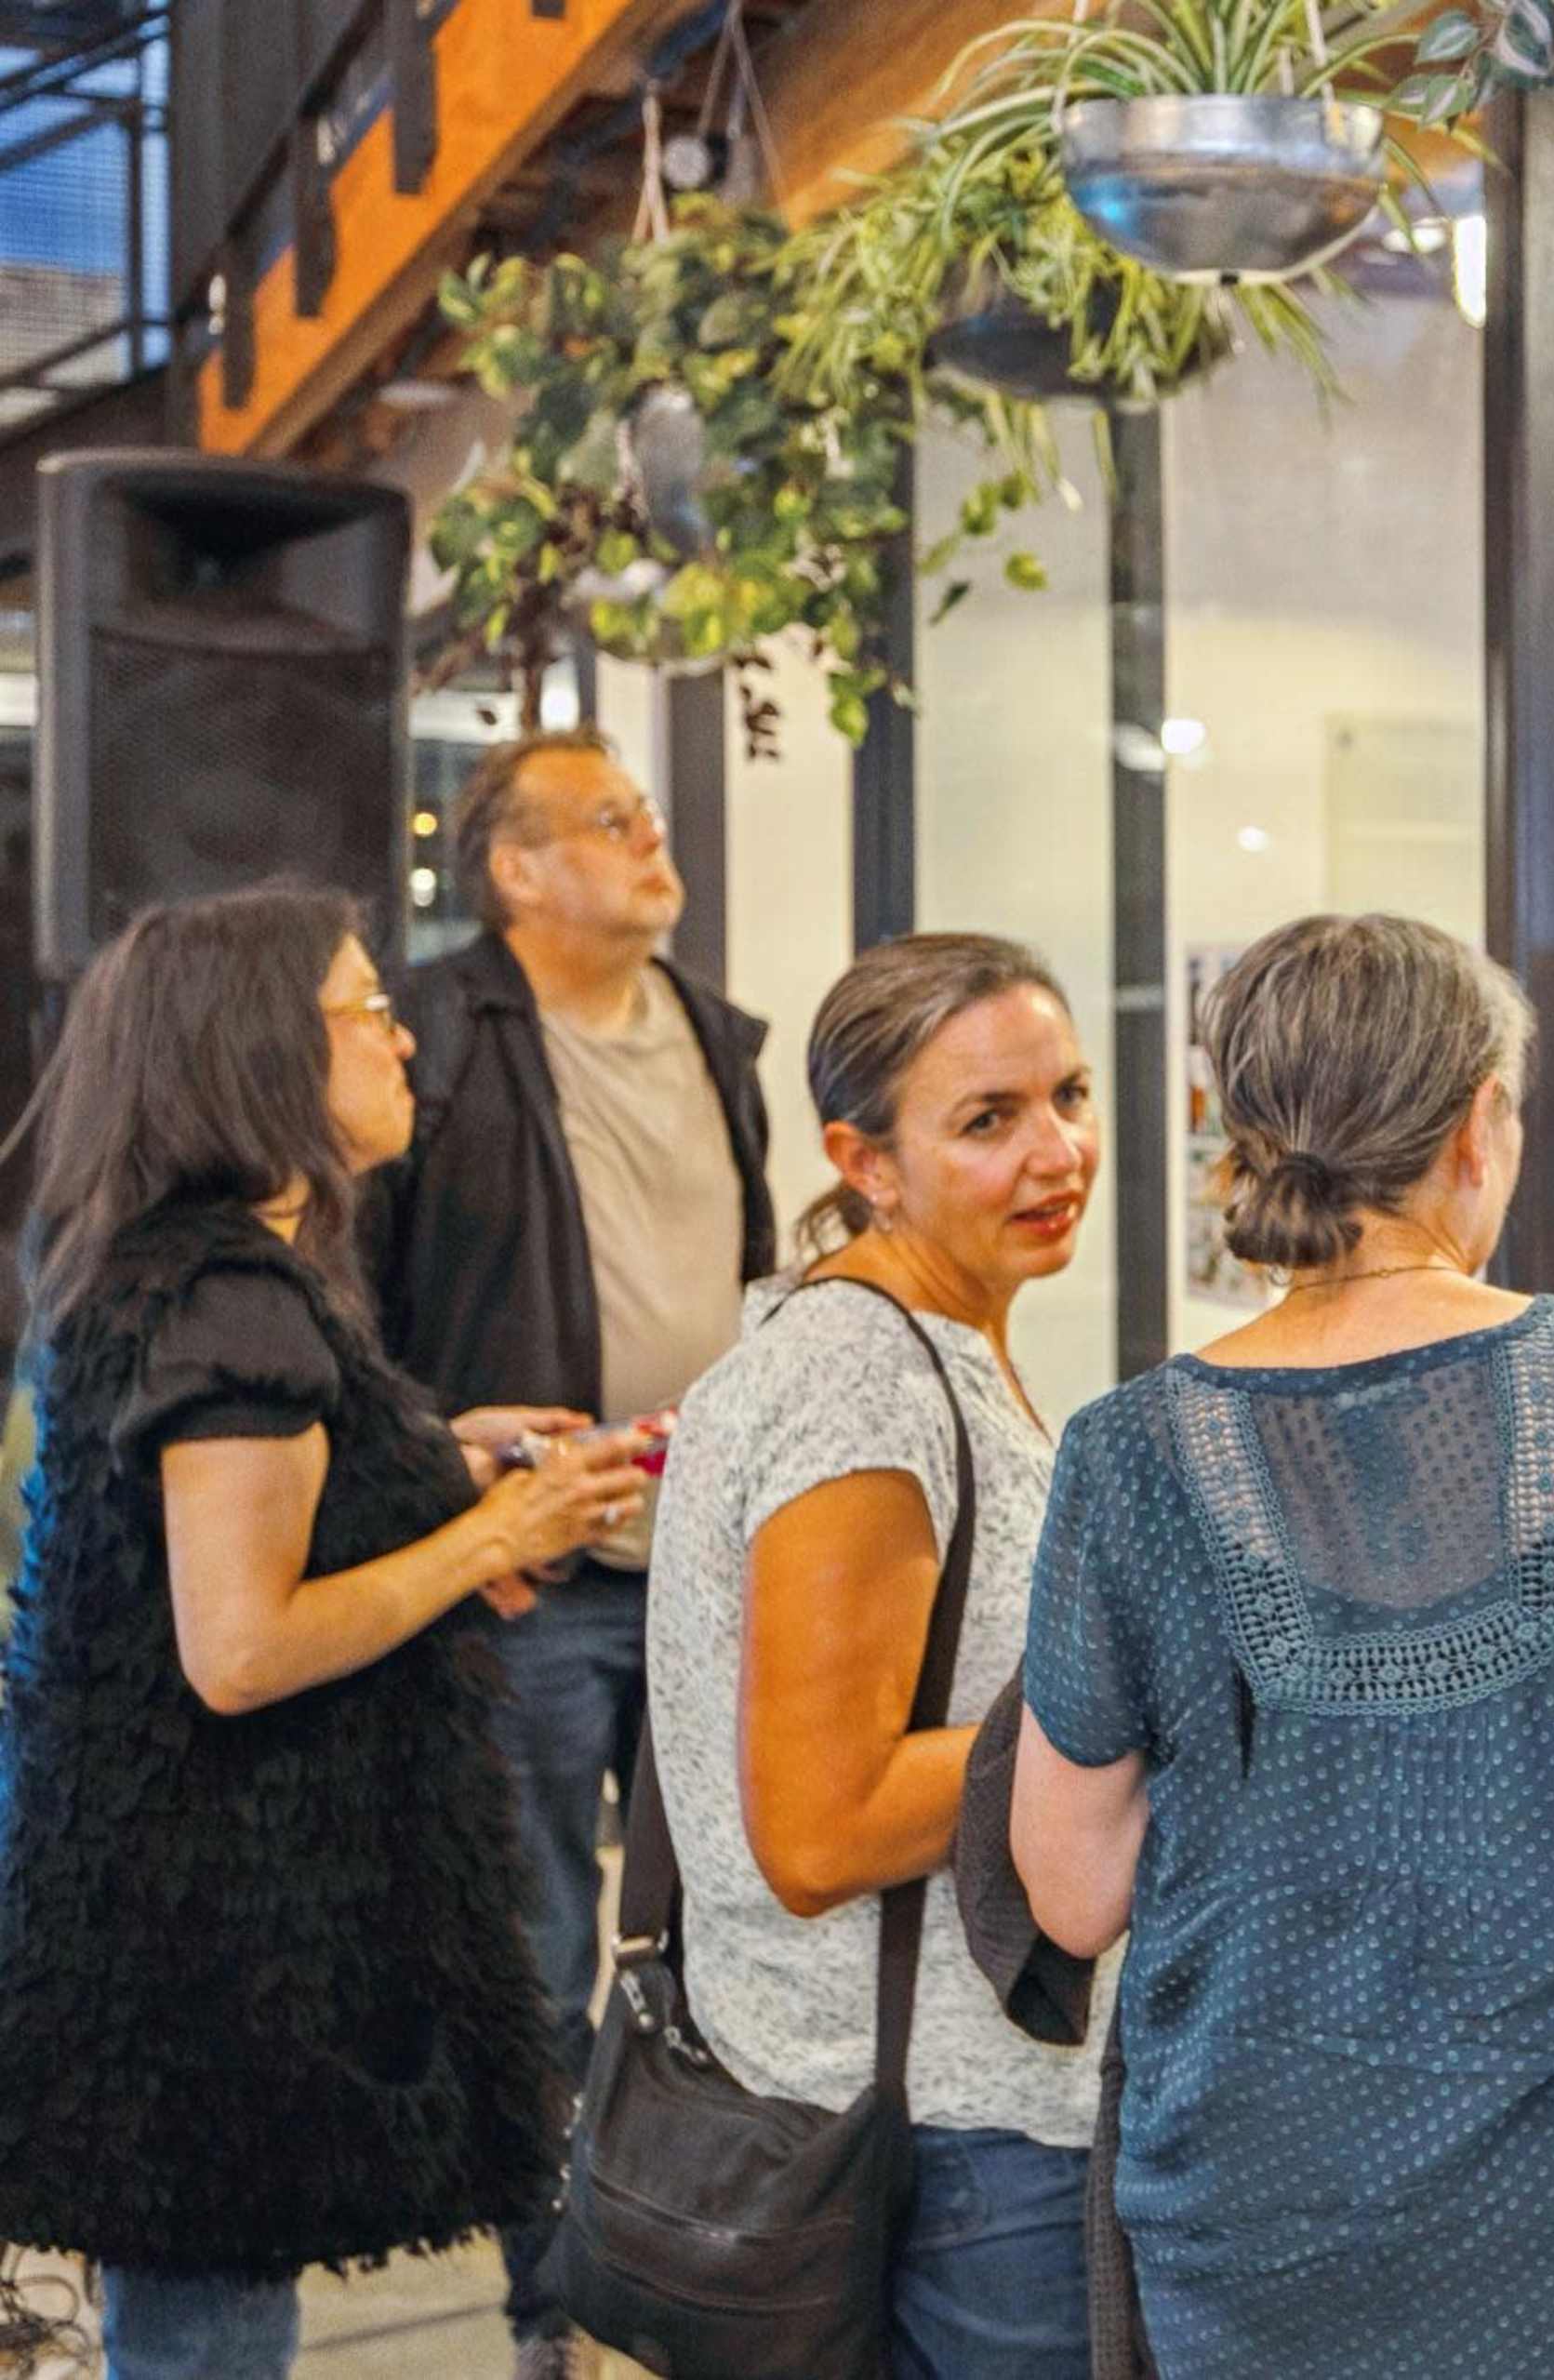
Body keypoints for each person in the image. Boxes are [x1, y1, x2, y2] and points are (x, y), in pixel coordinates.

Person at [1008, 912, 1554, 2378]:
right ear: (1479, 1130)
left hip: (1284, 2232)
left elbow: (1070, 1894)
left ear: (1247, 1143)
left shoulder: (1128, 1458)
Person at [0, 887, 651, 2379]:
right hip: (207, 1935)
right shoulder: (231, 1298)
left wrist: (438, 1458)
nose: (402, 1039)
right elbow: (240, 1645)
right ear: (260, 1058)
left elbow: (286, 1500)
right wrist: (492, 1534)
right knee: (208, 2337)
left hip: (180, 1911)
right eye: (364, 1010)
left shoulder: (200, 1273)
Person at [357, 729, 772, 2364]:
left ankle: (706, 2276)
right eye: (611, 819)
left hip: (706, 1573)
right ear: (518, 868)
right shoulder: (434, 1041)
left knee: (725, 1947)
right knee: (536, 1967)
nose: (651, 837)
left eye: (649, 813)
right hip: (528, 1581)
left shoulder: (714, 1033)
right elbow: (357, 1310)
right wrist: (447, 1510)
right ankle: (555, 2307)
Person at [644, 933, 1109, 2375]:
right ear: (866, 1160)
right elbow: (821, 1823)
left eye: (1070, 1096)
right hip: (935, 2139)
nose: (1058, 1153)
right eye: (989, 1121)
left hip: (914, 2106)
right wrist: (1122, 1720)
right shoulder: (864, 1376)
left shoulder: (913, 1340)